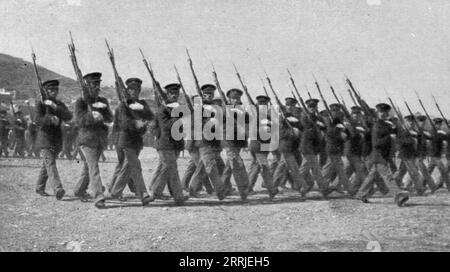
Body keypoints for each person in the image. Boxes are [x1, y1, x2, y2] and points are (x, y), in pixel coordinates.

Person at [108, 78, 154, 206]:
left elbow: (150, 116)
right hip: (124, 139)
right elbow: (124, 123)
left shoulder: (142, 103)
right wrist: (136, 122)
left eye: (137, 90)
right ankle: (143, 194)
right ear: (127, 90)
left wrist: (142, 116)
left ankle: (113, 190)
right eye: (131, 89)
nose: (134, 92)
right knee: (135, 166)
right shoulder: (123, 105)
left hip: (137, 141)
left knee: (124, 166)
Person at [356, 103, 410, 207]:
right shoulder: (377, 125)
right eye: (381, 112)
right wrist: (390, 137)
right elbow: (376, 143)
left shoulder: (385, 124)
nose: (384, 114)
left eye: (386, 112)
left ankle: (360, 194)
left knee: (372, 176)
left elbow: (391, 133)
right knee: (387, 176)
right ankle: (398, 196)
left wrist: (395, 129)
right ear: (377, 113)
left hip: (383, 155)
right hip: (378, 155)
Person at [73, 72, 113, 209]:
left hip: (99, 140)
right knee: (94, 168)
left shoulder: (103, 101)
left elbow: (109, 118)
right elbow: (78, 120)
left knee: (88, 168)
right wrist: (91, 115)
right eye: (94, 84)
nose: (97, 87)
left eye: (98, 84)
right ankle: (98, 197)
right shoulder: (81, 102)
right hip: (86, 140)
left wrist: (102, 115)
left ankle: (78, 190)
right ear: (87, 86)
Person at [148, 83, 189, 205]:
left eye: (176, 93)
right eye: (172, 93)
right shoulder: (162, 110)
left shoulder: (178, 107)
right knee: (170, 168)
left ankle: (158, 190)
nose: (174, 96)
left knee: (166, 168)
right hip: (165, 144)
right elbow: (167, 127)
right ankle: (161, 194)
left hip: (176, 144)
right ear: (167, 95)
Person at [34, 80, 73, 199]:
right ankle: (58, 188)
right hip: (45, 139)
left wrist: (54, 106)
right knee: (50, 164)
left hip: (56, 140)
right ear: (46, 91)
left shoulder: (58, 104)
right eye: (51, 90)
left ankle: (39, 187)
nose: (54, 92)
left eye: (56, 89)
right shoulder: (40, 103)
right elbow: (37, 120)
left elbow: (68, 116)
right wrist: (50, 118)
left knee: (47, 164)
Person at [221, 88, 250, 200]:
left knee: (229, 166)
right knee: (238, 165)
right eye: (233, 98)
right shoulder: (224, 110)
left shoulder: (242, 111)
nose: (235, 100)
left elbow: (247, 125)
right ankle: (243, 191)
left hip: (239, 142)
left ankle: (222, 188)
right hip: (229, 141)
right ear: (229, 99)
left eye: (237, 98)